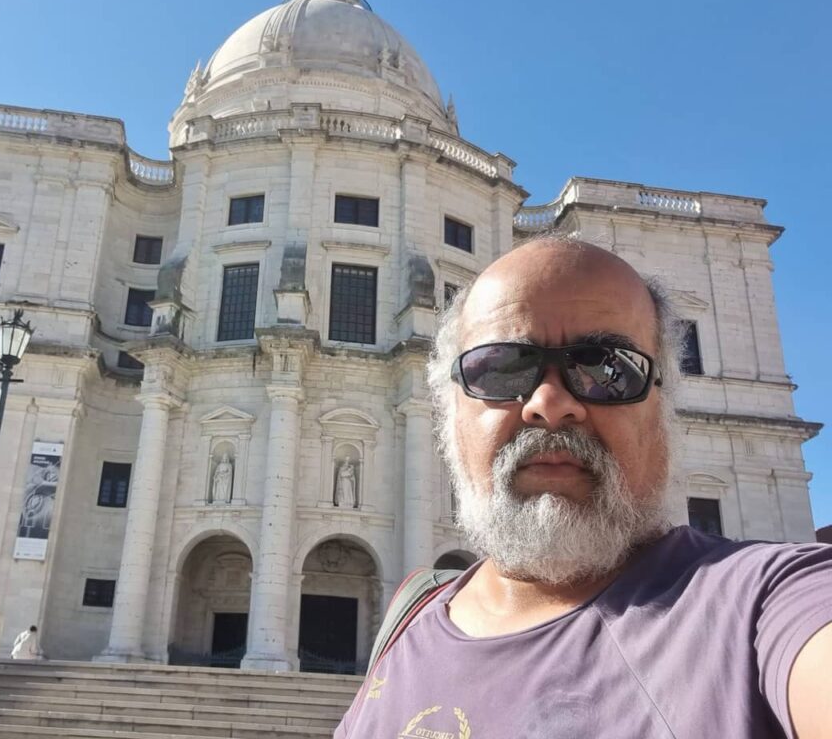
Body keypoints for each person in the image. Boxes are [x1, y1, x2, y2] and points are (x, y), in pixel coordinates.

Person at [336, 237, 831, 738]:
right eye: (501, 367)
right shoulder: (406, 626)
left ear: (665, 409)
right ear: (450, 411)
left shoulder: (762, 604)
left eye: (608, 368)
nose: (550, 404)